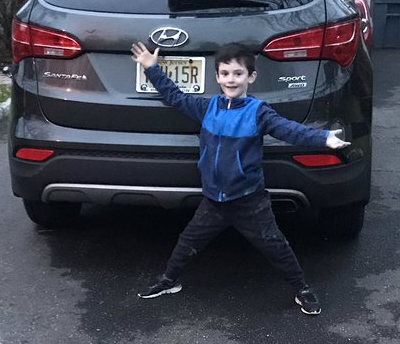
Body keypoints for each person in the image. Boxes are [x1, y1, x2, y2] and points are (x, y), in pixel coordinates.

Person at [131, 41, 349, 315]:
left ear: (251, 77)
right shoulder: (208, 108)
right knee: (187, 242)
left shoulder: (258, 112)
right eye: (224, 74)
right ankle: (169, 281)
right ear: (217, 77)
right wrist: (152, 68)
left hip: (250, 202)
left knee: (275, 245)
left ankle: (301, 288)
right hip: (213, 201)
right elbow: (174, 96)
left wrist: (323, 138)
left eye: (237, 73)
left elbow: (288, 130)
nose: (230, 79)